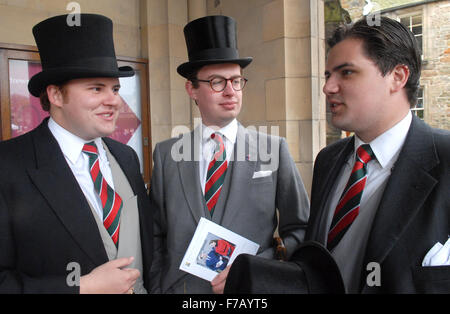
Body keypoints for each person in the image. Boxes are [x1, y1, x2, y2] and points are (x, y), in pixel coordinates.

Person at [149, 15, 309, 294]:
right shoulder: (166, 155)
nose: (231, 92)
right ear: (192, 89)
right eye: (216, 82)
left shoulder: (274, 149)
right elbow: (155, 235)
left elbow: (301, 229)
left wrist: (259, 271)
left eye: (236, 81)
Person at [0, 14, 153, 293]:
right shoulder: (8, 165)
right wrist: (81, 287)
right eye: (96, 88)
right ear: (56, 95)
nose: (115, 101)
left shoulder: (126, 157)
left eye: (115, 89)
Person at [305, 16, 450, 293]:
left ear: (397, 77)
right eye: (327, 75)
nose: (328, 87)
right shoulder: (327, 160)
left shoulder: (446, 159)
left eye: (346, 72)